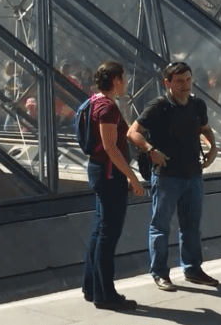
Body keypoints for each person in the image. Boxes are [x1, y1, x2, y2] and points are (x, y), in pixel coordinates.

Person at [127, 62, 219, 292]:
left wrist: (213, 147)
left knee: (191, 227)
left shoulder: (197, 104)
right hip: (167, 176)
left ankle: (192, 269)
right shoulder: (159, 106)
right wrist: (150, 151)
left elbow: (205, 129)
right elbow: (132, 132)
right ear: (166, 83)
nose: (185, 85)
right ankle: (160, 273)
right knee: (160, 227)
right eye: (179, 81)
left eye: (188, 80)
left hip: (193, 175)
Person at [81, 61, 145, 311]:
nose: (126, 82)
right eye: (124, 78)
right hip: (109, 175)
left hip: (100, 172)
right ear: (116, 79)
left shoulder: (94, 101)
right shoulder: (107, 107)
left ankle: (91, 287)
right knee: (108, 235)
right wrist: (132, 177)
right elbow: (111, 147)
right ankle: (105, 293)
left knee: (99, 231)